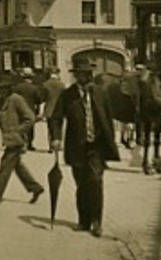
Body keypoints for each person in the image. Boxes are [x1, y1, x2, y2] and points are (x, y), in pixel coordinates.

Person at [47, 58, 121, 237]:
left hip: (96, 146)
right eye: (81, 73)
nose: (86, 76)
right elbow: (56, 118)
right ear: (76, 75)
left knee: (95, 181)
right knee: (81, 184)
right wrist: (56, 138)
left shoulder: (100, 92)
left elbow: (108, 118)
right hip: (76, 146)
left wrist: (111, 142)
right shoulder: (68, 95)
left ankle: (97, 221)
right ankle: (84, 220)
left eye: (88, 73)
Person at [0, 75, 44, 204]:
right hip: (8, 138)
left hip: (16, 140)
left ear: (10, 89)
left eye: (5, 89)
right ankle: (35, 188)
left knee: (4, 166)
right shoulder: (0, 100)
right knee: (16, 166)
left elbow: (30, 118)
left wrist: (19, 131)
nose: (2, 91)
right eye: (0, 89)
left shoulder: (17, 100)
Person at [14, 68, 44, 151]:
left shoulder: (18, 87)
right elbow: (38, 100)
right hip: (30, 109)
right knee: (30, 127)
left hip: (19, 109)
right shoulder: (34, 88)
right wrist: (38, 111)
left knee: (21, 125)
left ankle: (22, 142)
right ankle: (29, 144)